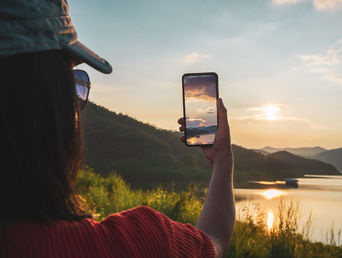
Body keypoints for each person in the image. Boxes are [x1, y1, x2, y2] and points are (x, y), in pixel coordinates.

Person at [0, 0, 235, 257]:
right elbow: (216, 241)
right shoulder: (136, 243)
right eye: (72, 85)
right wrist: (222, 159)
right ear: (49, 107)